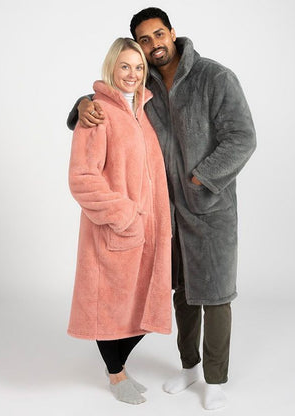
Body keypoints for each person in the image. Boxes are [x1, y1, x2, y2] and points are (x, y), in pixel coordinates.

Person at [67, 7, 256, 410]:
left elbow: (243, 137)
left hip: (210, 209)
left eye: (158, 34)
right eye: (145, 39)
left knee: (216, 295)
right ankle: (189, 368)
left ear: (172, 32)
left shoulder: (214, 78)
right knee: (183, 293)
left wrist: (201, 178)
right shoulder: (147, 84)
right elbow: (114, 95)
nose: (153, 45)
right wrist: (82, 104)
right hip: (165, 215)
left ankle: (215, 379)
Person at [67, 37, 172, 405]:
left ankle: (119, 368)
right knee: (108, 307)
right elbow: (82, 178)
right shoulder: (97, 113)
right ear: (112, 66)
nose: (132, 74)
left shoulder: (142, 111)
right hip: (115, 229)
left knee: (144, 304)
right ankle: (116, 375)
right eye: (125, 66)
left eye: (139, 67)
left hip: (150, 230)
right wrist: (124, 214)